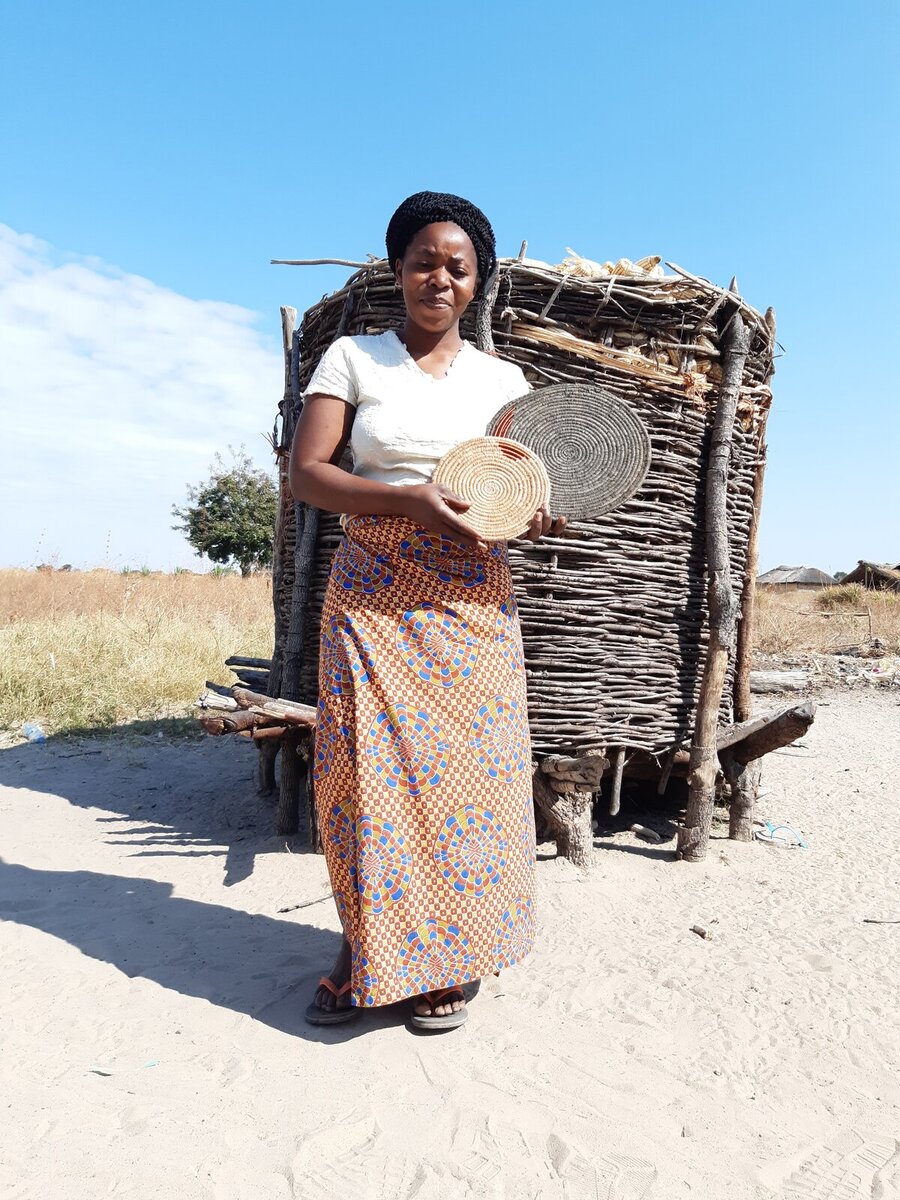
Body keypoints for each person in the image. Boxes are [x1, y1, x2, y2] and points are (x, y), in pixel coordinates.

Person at [289, 191, 564, 1032]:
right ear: (397, 269)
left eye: (457, 266)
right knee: (363, 776)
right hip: (374, 592)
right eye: (423, 261)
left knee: (467, 783)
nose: (437, 277)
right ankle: (361, 947)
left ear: (476, 282)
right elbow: (307, 474)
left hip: (472, 600)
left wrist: (537, 511)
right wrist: (410, 503)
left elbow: (519, 484)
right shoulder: (353, 359)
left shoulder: (503, 381)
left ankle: (451, 955)